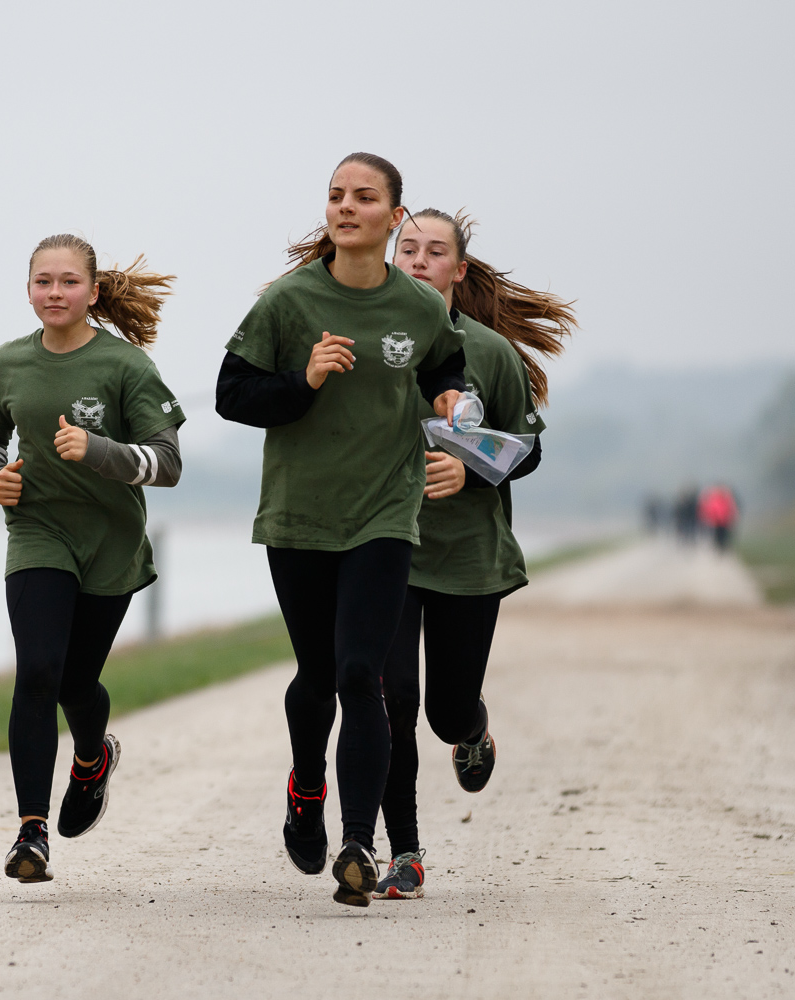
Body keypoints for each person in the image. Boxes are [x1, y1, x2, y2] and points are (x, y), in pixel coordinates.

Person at [215, 153, 466, 907]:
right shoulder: (289, 303)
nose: (344, 207)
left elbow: (443, 367)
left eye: (363, 198)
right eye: (334, 196)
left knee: (364, 675)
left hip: (385, 514)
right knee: (318, 676)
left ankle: (358, 843)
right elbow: (232, 395)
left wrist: (451, 400)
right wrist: (305, 379)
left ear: (394, 219)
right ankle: (306, 787)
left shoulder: (420, 309)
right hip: (299, 516)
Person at [0, 235, 184, 884]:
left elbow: (166, 462)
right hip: (37, 533)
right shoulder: (8, 364)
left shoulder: (126, 368)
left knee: (74, 683)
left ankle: (92, 756)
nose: (54, 294)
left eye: (67, 282)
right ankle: (31, 833)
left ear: (92, 291)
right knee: (37, 671)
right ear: (28, 289)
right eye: (42, 282)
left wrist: (98, 451)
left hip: (110, 545)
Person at [373, 208, 574, 900]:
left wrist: (474, 469)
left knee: (443, 712)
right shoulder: (371, 344)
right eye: (409, 249)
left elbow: (529, 448)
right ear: (393, 259)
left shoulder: (490, 354)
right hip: (384, 549)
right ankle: (404, 852)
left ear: (458, 271)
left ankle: (473, 729)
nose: (420, 260)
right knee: (393, 699)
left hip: (467, 557)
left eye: (435, 252)